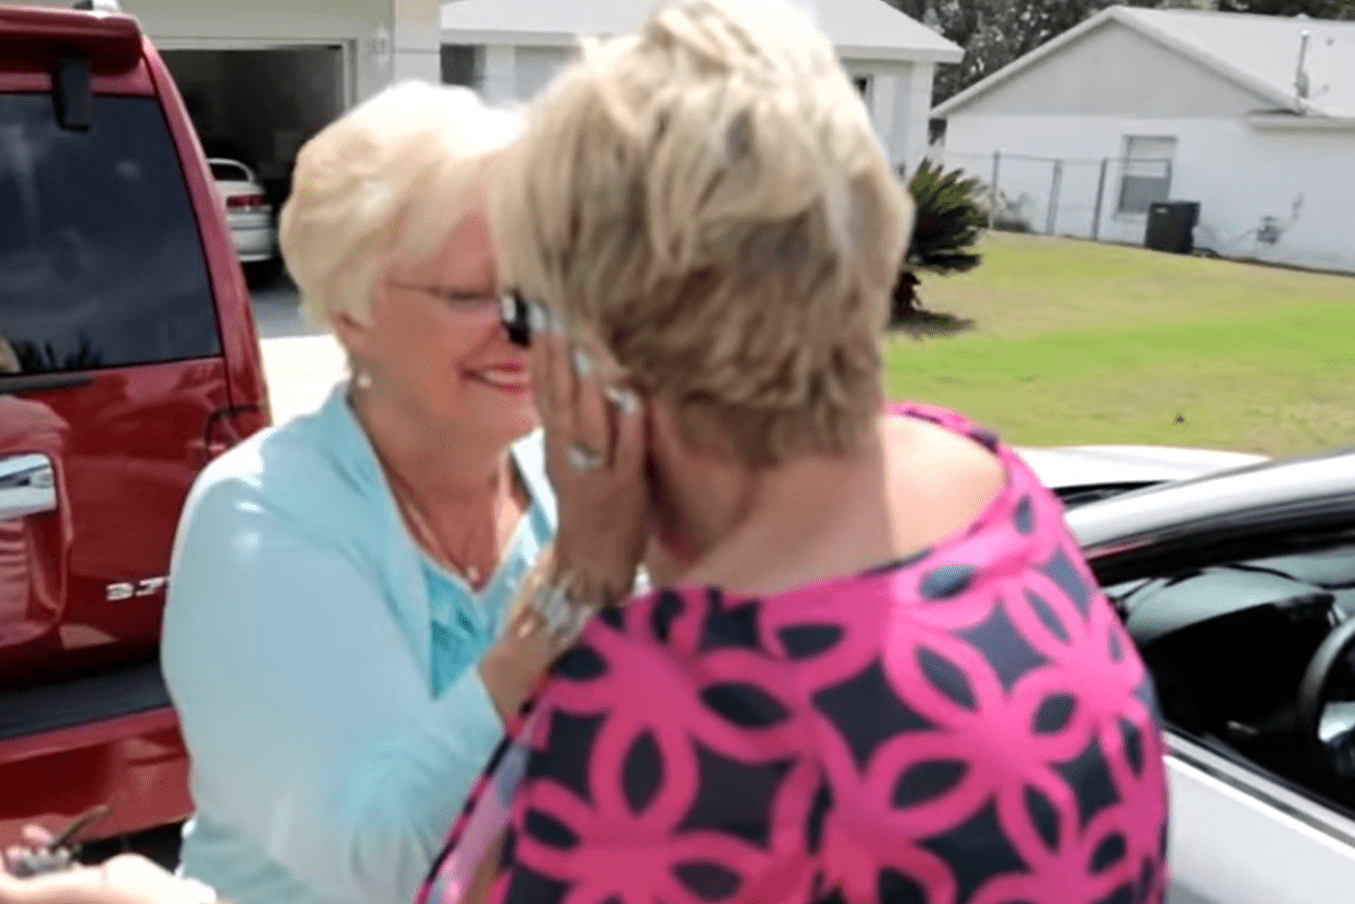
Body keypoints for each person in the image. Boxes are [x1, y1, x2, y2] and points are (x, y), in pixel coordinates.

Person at [417, 0, 1172, 902]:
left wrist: (582, 580)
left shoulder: (686, 703)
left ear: (598, 350)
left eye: (522, 314)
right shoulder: (987, 483)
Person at [156, 81, 572, 904]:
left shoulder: (563, 480)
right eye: (473, 295)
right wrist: (560, 608)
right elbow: (382, 867)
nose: (526, 328)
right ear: (351, 310)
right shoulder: (258, 513)